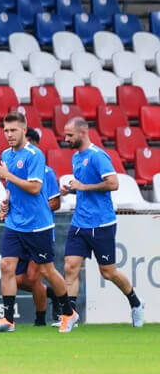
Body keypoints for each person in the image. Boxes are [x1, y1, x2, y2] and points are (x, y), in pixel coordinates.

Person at [0, 113, 77, 333]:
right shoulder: (6, 154)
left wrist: (8, 174)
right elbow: (11, 188)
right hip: (15, 223)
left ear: (24, 130)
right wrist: (6, 204)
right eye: (6, 131)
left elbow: (35, 188)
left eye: (13, 130)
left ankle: (69, 313)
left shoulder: (34, 155)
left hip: (38, 224)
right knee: (6, 266)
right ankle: (8, 319)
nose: (9, 135)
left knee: (46, 271)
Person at [60, 117, 145, 328]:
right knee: (70, 267)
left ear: (83, 132)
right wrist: (71, 189)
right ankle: (70, 315)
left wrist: (83, 186)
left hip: (102, 223)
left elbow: (113, 183)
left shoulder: (99, 156)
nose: (66, 139)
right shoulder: (76, 157)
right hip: (80, 221)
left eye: (70, 135)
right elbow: (82, 185)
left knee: (108, 272)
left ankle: (136, 302)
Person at [7, 128, 62, 326]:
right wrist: (7, 208)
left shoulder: (46, 172)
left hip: (39, 229)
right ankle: (53, 294)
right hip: (19, 229)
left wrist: (35, 211)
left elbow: (55, 202)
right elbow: (12, 195)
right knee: (18, 279)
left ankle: (40, 320)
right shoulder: (13, 164)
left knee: (34, 276)